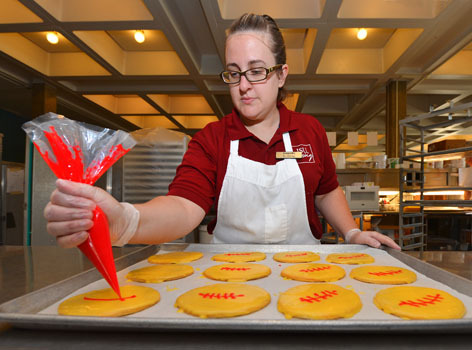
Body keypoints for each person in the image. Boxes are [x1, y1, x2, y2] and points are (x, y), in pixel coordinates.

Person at [44, 13, 400, 250]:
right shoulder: (212, 139)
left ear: (281, 74)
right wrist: (125, 221)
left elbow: (327, 191)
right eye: (234, 72)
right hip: (228, 276)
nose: (244, 85)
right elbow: (184, 208)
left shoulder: (309, 131)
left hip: (304, 269)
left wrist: (351, 231)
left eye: (257, 70)